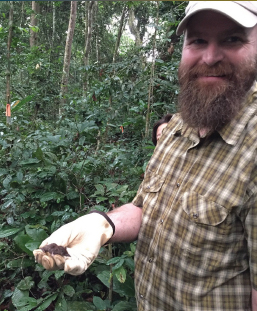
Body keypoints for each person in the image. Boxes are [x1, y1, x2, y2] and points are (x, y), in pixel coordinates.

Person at [33, 2, 257, 310]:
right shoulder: (179, 126)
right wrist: (103, 225)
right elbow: (146, 209)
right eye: (198, 40)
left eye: (232, 39)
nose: (209, 56)